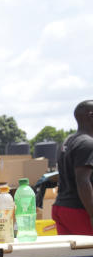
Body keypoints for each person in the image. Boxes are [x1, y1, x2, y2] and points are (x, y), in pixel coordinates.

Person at [53, 100, 93, 235]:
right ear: (91, 116)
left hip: (61, 207)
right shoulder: (88, 143)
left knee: (70, 255)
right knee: (87, 253)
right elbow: (83, 180)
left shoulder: (67, 141)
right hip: (80, 209)